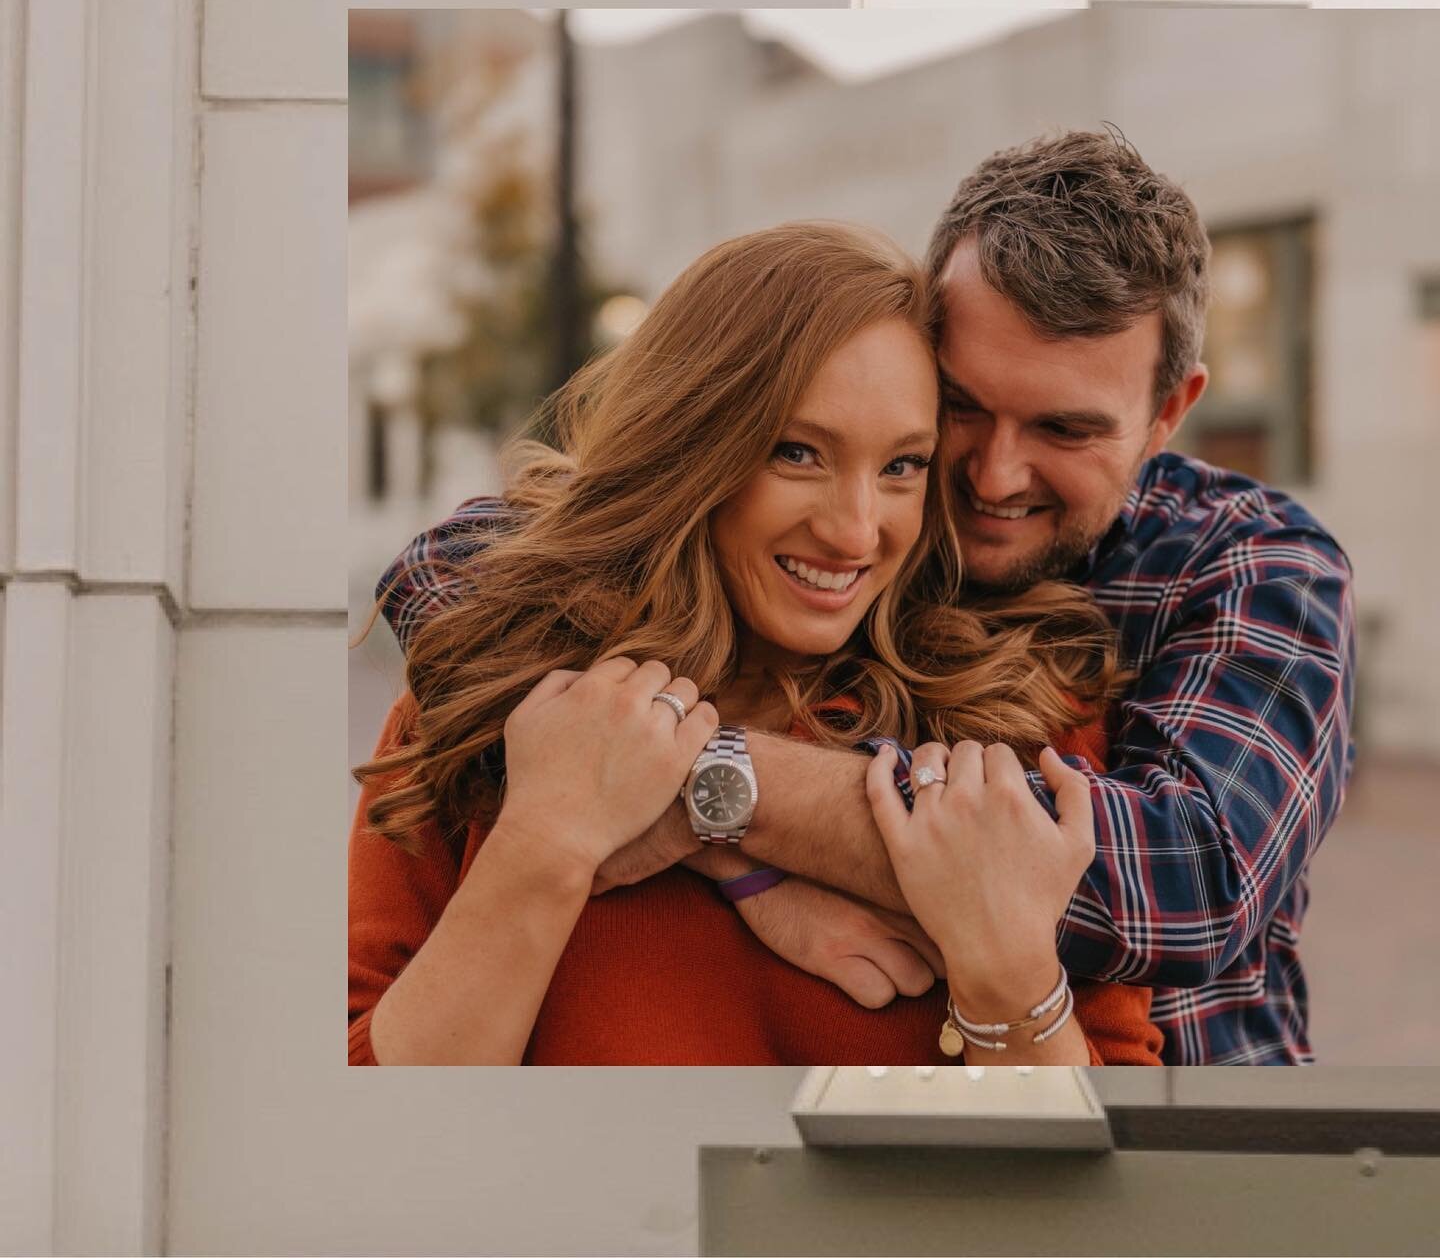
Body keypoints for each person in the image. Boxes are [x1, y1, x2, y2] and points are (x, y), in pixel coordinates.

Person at [381, 130, 1355, 1065]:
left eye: (1064, 429)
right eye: (962, 408)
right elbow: (453, 573)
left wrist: (706, 791)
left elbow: (1189, 885)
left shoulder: (1239, 569)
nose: (992, 476)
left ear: (1169, 414)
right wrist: (734, 859)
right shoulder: (833, 565)